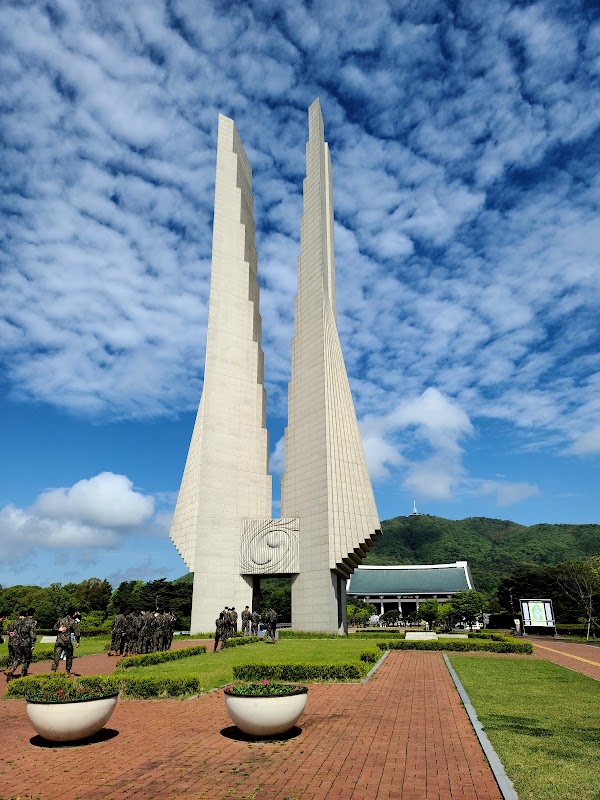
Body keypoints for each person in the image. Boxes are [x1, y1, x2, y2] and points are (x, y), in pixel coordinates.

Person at [51, 607, 80, 675]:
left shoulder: (60, 620)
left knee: (56, 656)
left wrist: (58, 629)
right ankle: (67, 671)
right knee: (69, 656)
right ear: (73, 613)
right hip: (67, 641)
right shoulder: (73, 621)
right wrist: (78, 641)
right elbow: (77, 632)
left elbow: (53, 629)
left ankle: (53, 671)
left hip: (59, 640)